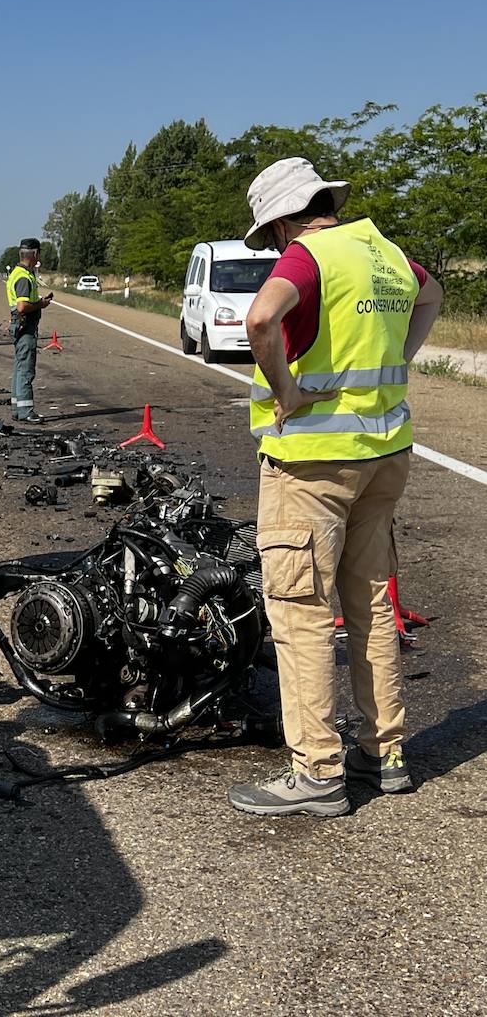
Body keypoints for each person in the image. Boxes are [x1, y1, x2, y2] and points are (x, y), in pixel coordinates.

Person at [227, 157, 443, 818]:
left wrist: (288, 389)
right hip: (385, 454)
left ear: (286, 217)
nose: (274, 247)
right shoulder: (380, 250)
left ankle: (317, 771)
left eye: (270, 236)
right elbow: (431, 295)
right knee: (372, 604)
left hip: (315, 463)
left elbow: (262, 319)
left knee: (301, 610)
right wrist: (394, 362)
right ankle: (384, 756)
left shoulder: (308, 255)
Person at [5, 238, 54, 422]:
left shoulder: (18, 273)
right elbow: (22, 306)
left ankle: (18, 408)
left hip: (20, 326)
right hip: (25, 327)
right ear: (34, 254)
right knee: (26, 369)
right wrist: (41, 304)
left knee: (19, 367)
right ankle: (26, 411)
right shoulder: (24, 277)